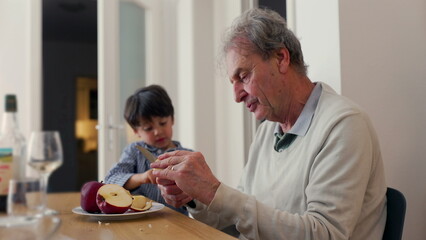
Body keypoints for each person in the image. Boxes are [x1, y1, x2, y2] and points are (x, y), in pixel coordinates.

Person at [151, 8, 387, 239]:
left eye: (243, 77)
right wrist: (196, 195)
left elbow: (324, 233)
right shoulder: (267, 132)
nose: (236, 96)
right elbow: (239, 221)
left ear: (281, 58)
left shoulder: (344, 125)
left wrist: (215, 190)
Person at [104, 84, 192, 215]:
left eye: (162, 123)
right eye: (148, 128)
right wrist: (143, 178)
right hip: (139, 222)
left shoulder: (187, 156)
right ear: (136, 131)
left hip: (177, 223)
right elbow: (111, 180)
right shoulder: (134, 151)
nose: (158, 131)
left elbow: (199, 200)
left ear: (172, 119)